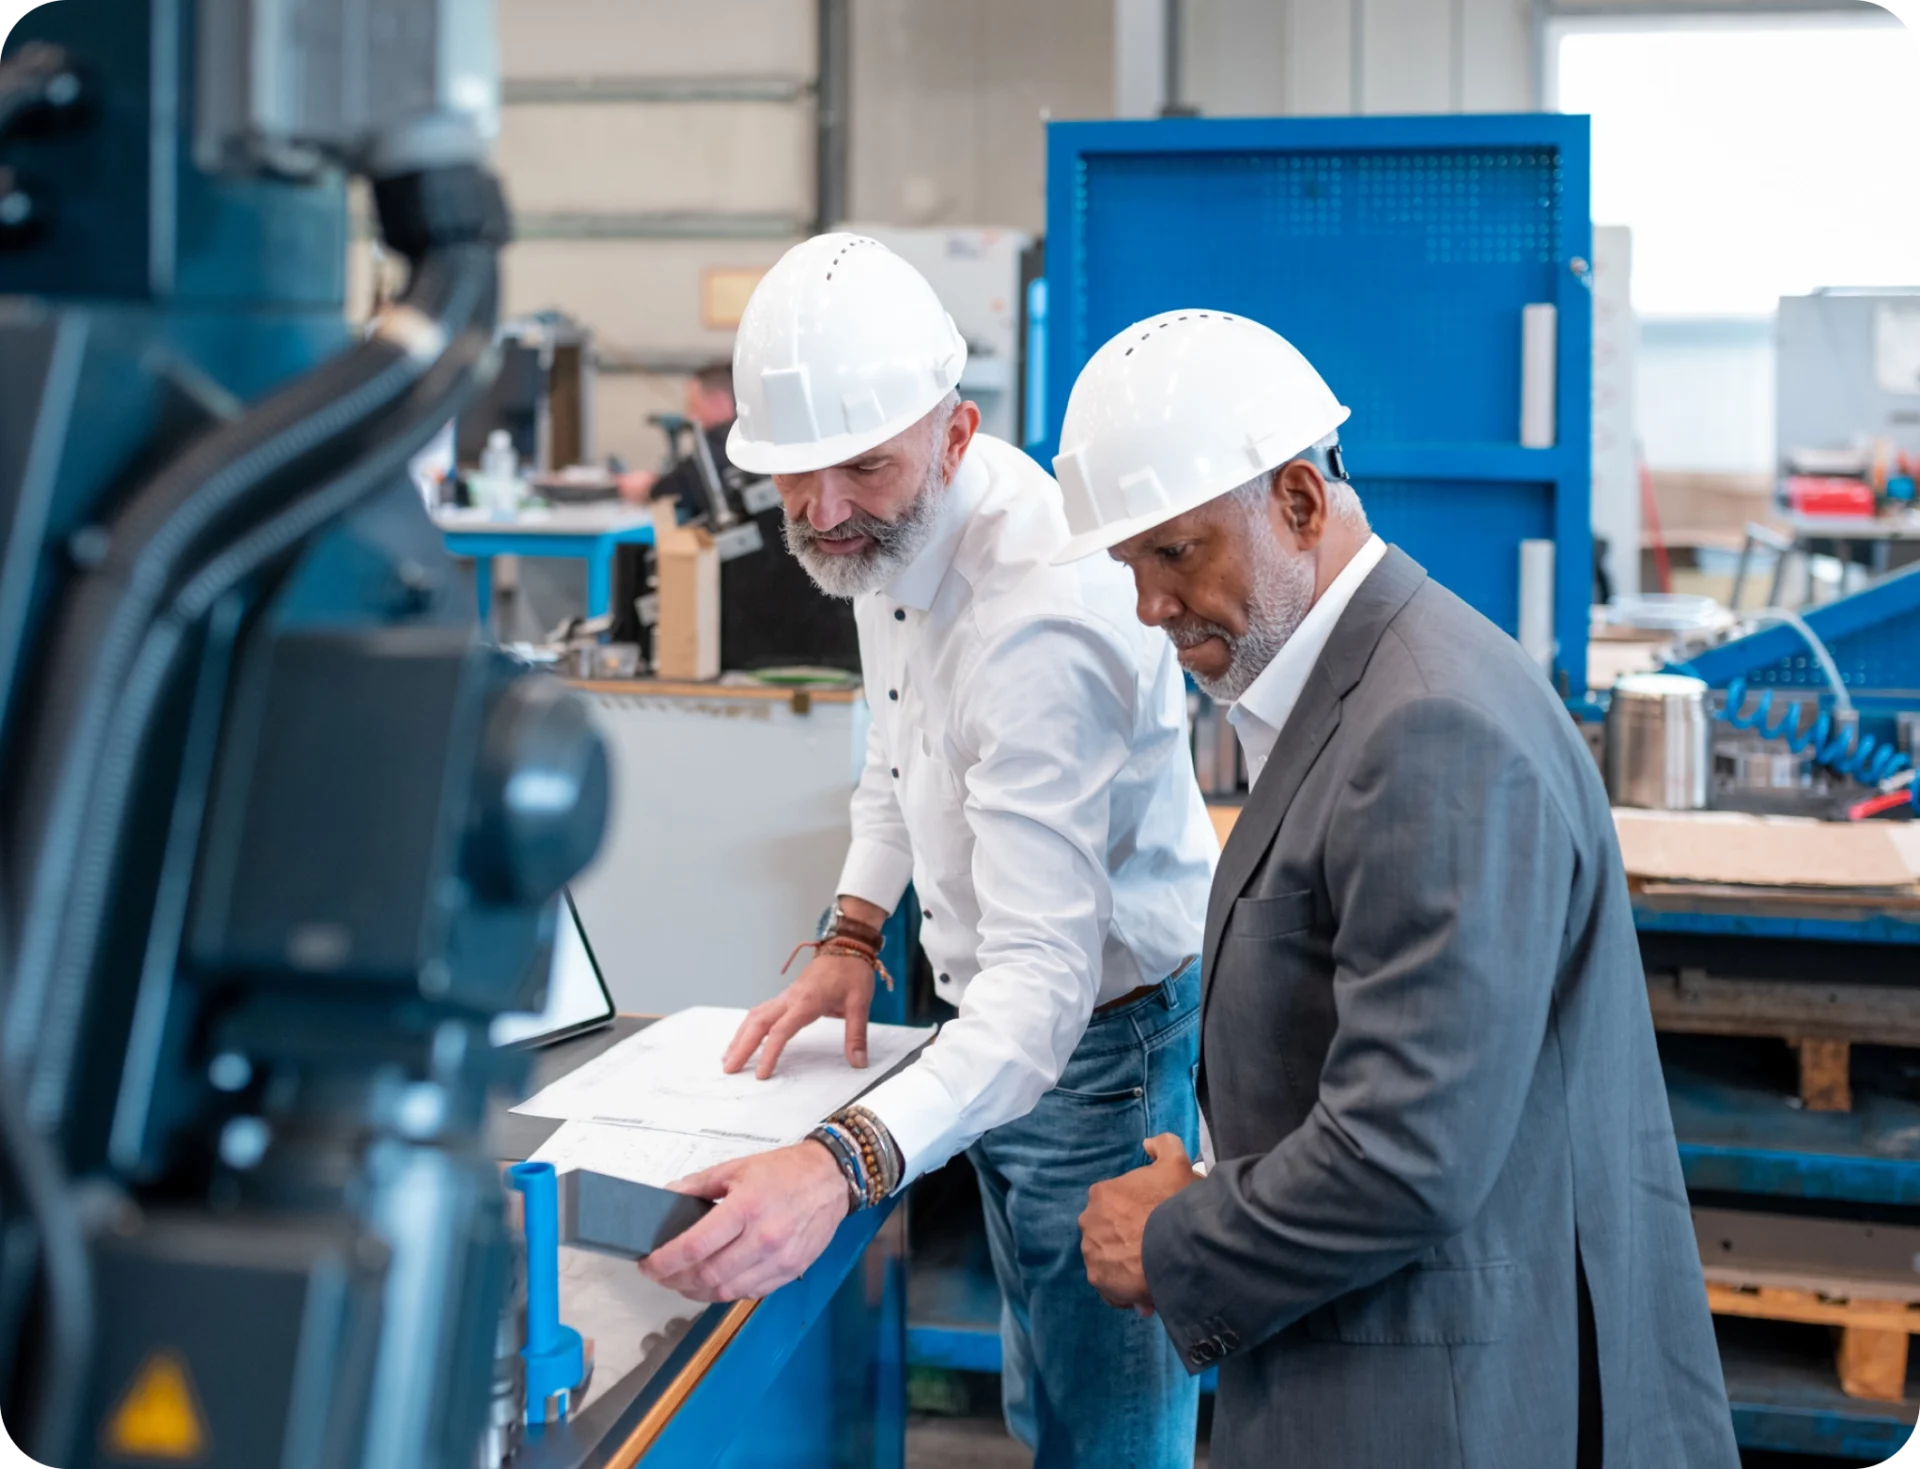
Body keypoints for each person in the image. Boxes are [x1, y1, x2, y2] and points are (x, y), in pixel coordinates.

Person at [1065, 311, 1740, 1469]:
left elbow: (1406, 1149)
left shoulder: (1429, 726)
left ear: (1298, 501)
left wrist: (1178, 1233)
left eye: (1175, 553)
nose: (1150, 606)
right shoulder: (1362, 687)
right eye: (1130, 566)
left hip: (1448, 1402)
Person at [636, 236, 1217, 1468]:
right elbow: (899, 756)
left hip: (1098, 1047)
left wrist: (838, 1164)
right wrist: (853, 928)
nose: (823, 509)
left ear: (955, 434)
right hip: (1005, 1029)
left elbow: (1042, 990)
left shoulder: (1038, 621)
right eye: (795, 474)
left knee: (1108, 1433)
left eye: (864, 465)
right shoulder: (889, 533)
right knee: (1046, 1398)